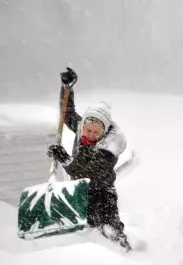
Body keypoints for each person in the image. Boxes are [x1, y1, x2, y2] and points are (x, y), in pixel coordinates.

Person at [47, 67, 132, 251]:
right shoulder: (83, 126)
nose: (91, 134)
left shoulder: (110, 145)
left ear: (104, 131)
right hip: (81, 191)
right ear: (83, 125)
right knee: (87, 232)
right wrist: (66, 88)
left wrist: (65, 159)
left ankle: (126, 255)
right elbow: (67, 114)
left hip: (102, 193)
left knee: (110, 230)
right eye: (88, 130)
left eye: (96, 132)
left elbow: (86, 173)